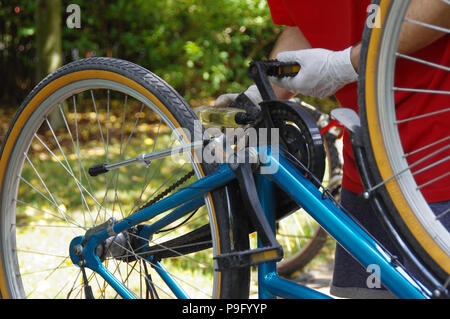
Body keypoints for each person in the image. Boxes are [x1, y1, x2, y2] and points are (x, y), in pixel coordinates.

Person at [215, 0, 450, 298]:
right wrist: (260, 96)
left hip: (437, 162)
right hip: (367, 163)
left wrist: (346, 63)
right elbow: (306, 24)